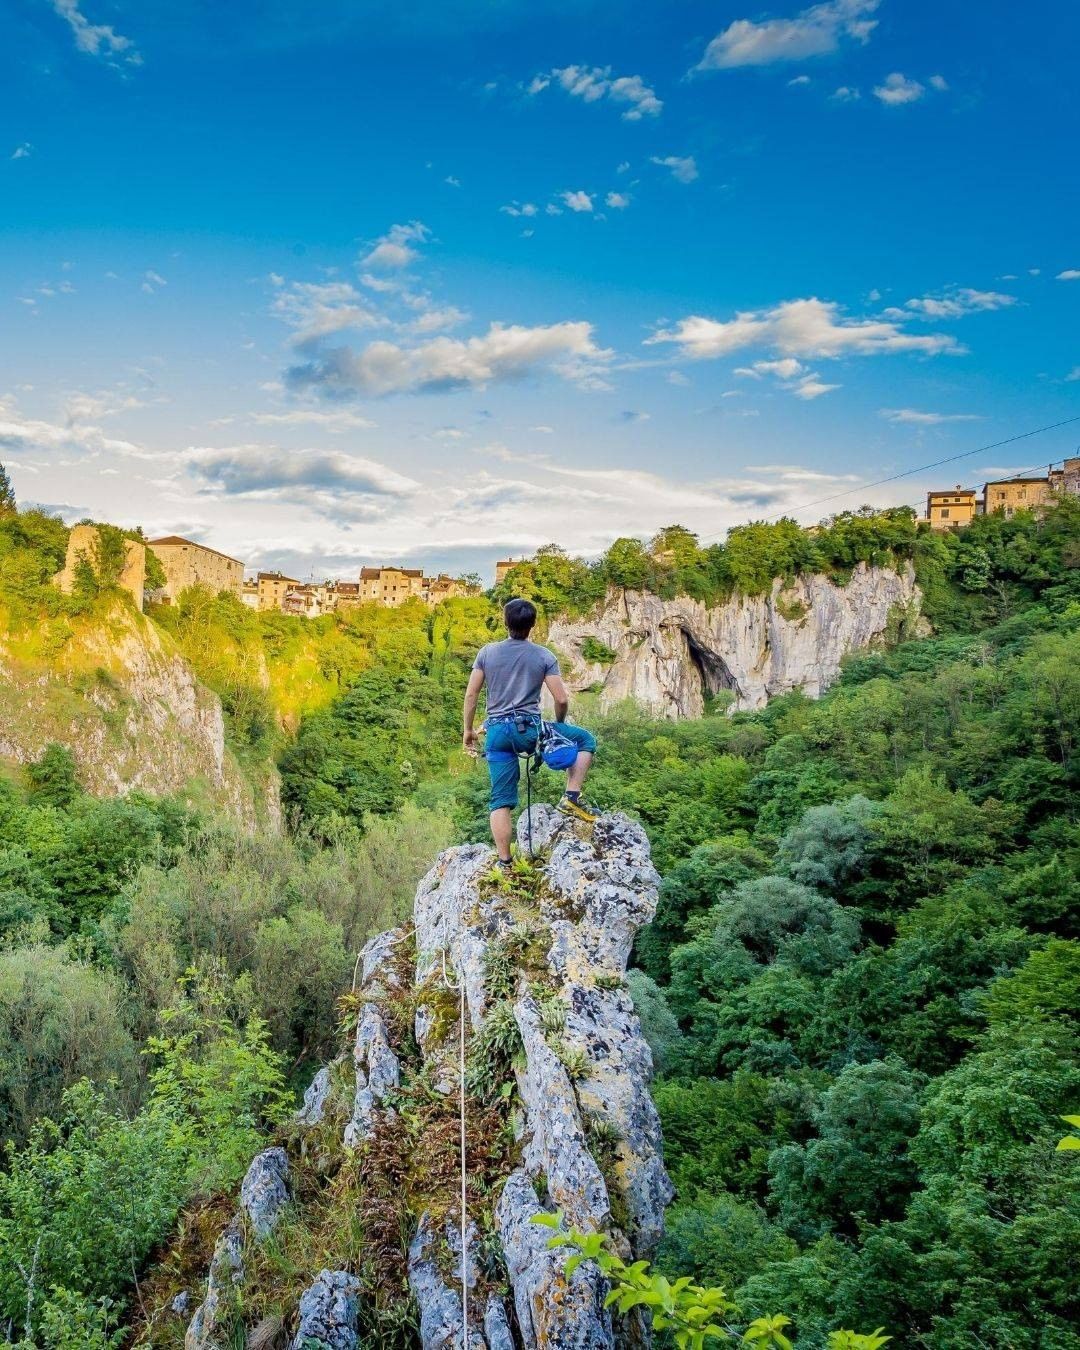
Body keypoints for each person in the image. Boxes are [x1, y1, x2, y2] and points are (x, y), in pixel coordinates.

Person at [463, 597, 598, 866]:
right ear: (533, 625)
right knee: (586, 740)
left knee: (500, 800)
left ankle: (505, 863)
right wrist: (558, 726)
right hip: (531, 730)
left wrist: (468, 730)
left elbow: (471, 693)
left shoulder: (487, 653)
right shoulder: (544, 656)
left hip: (498, 733)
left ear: (505, 622)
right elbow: (560, 699)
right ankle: (571, 796)